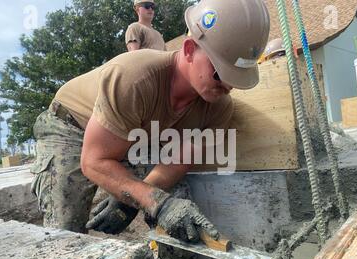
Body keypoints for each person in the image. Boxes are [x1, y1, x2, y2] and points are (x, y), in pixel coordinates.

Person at [30, 0, 270, 243]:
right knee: (65, 232)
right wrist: (151, 200)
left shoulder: (218, 107)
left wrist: (136, 198)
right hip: (71, 125)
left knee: (177, 201)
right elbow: (94, 161)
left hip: (135, 131)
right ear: (188, 49)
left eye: (234, 78)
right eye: (219, 73)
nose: (227, 87)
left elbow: (179, 161)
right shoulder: (135, 79)